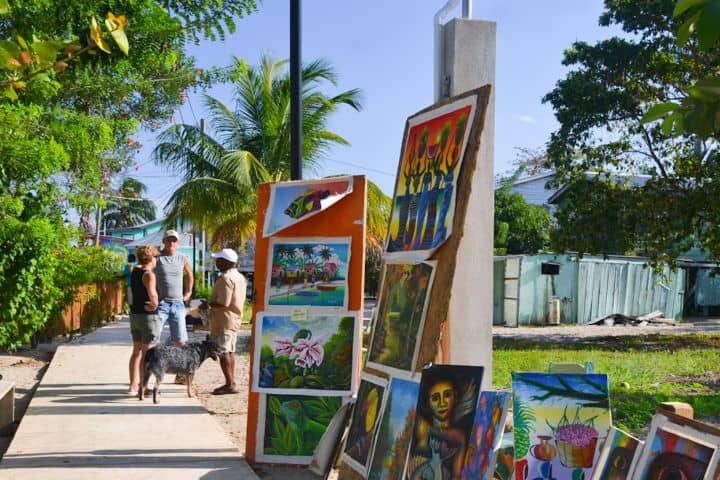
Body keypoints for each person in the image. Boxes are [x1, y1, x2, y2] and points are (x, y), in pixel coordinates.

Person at [200, 248, 246, 395]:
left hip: (223, 320)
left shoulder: (226, 278)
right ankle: (231, 381)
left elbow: (223, 302)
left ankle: (229, 384)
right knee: (230, 352)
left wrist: (207, 304)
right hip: (234, 319)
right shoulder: (239, 277)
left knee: (223, 352)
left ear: (227, 262)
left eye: (219, 260)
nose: (217, 262)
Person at [127, 245, 161, 395]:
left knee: (136, 352)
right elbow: (152, 295)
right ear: (151, 257)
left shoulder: (134, 271)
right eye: (155, 257)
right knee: (147, 354)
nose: (156, 260)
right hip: (148, 317)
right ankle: (144, 386)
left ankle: (133, 385)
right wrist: (155, 304)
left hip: (135, 315)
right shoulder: (148, 274)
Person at [155, 229, 194, 346]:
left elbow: (189, 274)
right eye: (169, 240)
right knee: (152, 338)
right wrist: (152, 297)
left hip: (178, 304)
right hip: (161, 304)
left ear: (177, 243)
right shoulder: (157, 258)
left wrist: (188, 293)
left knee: (180, 341)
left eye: (174, 240)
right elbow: (148, 276)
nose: (171, 243)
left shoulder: (183, 258)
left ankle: (177, 363)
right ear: (164, 242)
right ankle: (147, 363)